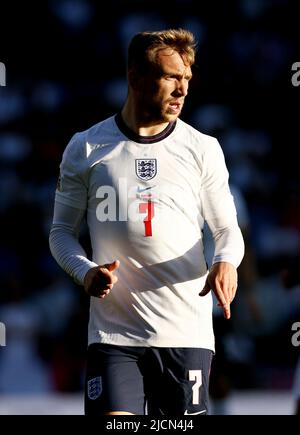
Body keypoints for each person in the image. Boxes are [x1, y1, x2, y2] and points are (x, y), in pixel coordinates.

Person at [49, 28, 244, 416]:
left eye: (187, 78)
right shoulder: (86, 147)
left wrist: (226, 261)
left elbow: (226, 231)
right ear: (136, 77)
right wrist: (85, 272)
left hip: (185, 332)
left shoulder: (202, 148)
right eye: (171, 76)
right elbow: (61, 233)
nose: (182, 90)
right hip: (113, 335)